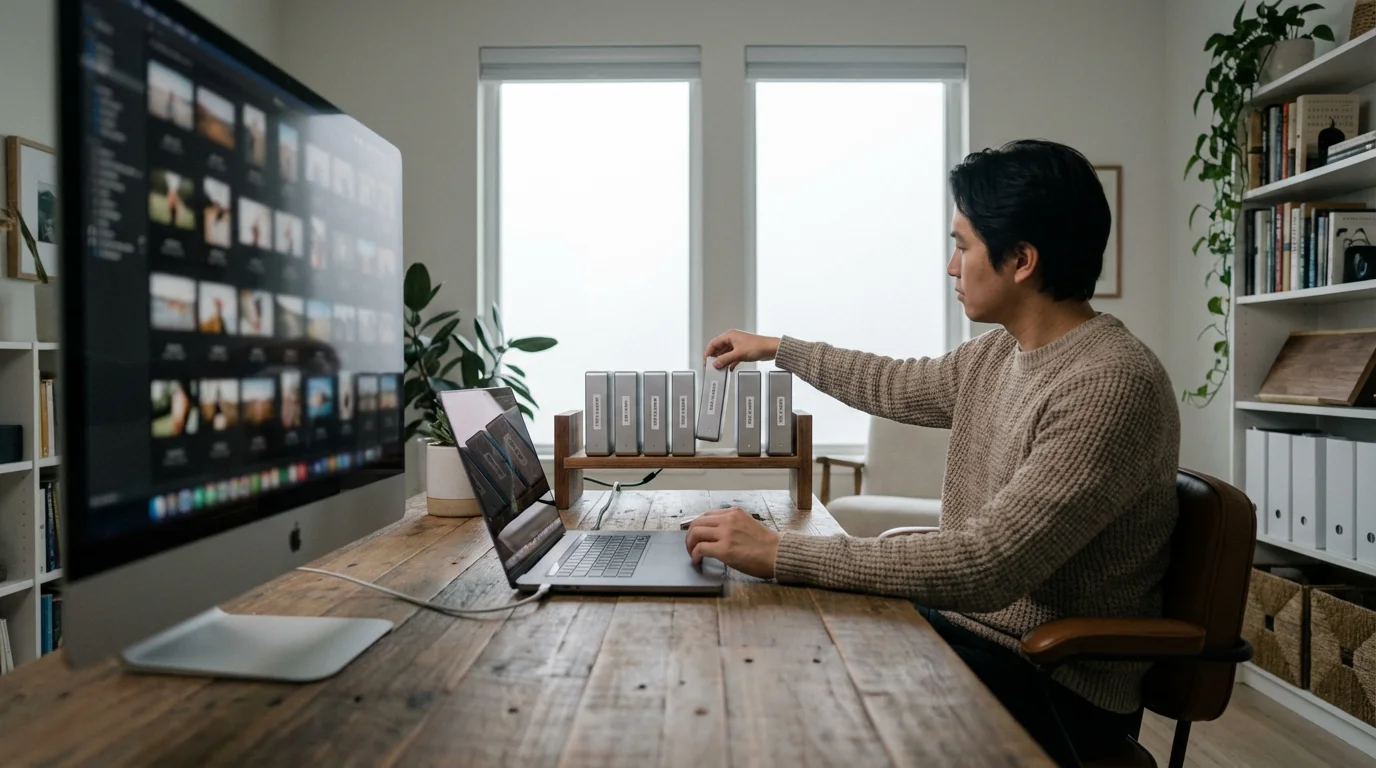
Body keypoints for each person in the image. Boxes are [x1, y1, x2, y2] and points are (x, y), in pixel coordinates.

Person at [688, 139, 1179, 765]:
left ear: (1022, 260)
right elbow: (891, 382)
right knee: (785, 642)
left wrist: (780, 552)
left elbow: (989, 565)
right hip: (978, 636)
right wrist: (776, 348)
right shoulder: (1000, 354)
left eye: (964, 245)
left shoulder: (1110, 383)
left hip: (1050, 681)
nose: (952, 266)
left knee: (799, 680)